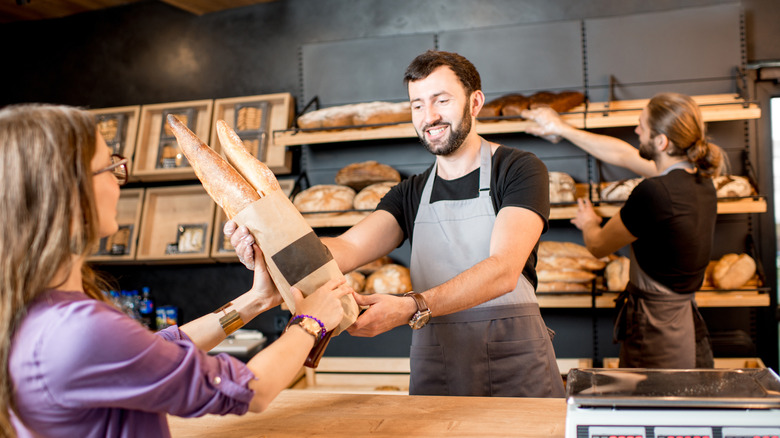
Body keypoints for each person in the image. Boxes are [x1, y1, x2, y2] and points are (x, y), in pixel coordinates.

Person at [227, 50, 565, 397]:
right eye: (417, 105)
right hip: (440, 364)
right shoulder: (410, 193)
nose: (429, 116)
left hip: (514, 362)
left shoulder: (518, 169)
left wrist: (411, 306)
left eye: (441, 100)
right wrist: (271, 244)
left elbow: (504, 269)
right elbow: (349, 247)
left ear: (475, 102)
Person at [1, 103, 352, 438]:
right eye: (111, 167)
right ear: (69, 190)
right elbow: (248, 389)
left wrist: (256, 301)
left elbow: (151, 351)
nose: (119, 181)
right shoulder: (80, 330)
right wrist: (311, 322)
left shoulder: (35, 310)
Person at [521, 92, 723, 368]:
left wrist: (589, 222)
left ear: (662, 142)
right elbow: (624, 155)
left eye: (642, 125)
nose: (636, 130)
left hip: (655, 327)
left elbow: (598, 246)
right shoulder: (703, 183)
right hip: (685, 321)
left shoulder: (654, 192)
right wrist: (561, 128)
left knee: (648, 403)